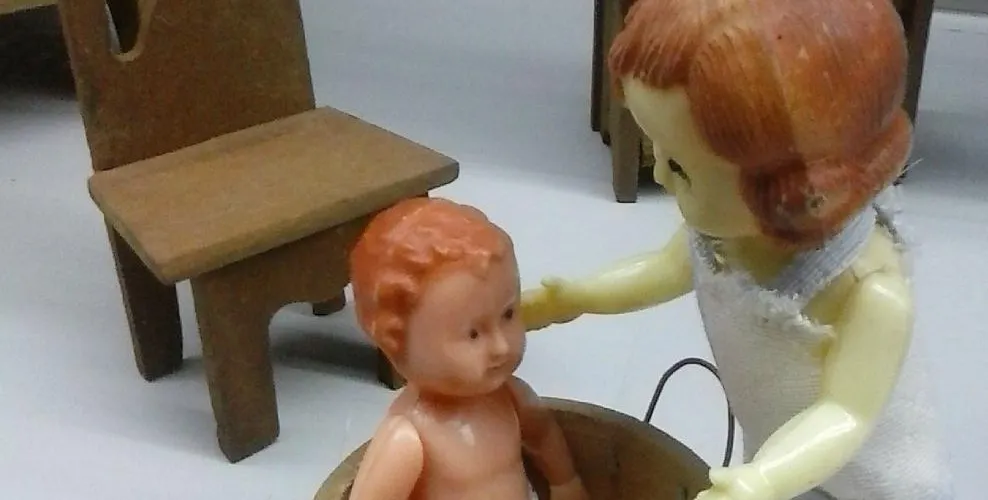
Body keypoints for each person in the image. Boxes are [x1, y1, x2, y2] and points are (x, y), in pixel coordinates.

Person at [522, 1, 953, 499]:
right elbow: (666, 268)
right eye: (656, 149)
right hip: (779, 449)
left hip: (863, 478)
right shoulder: (728, 234)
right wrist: (575, 297)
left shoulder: (869, 294)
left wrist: (764, 478)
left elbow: (846, 412)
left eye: (679, 167)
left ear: (794, 190)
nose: (658, 174)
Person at [347, 197, 589, 500]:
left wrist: (565, 483)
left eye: (508, 314)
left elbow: (542, 436)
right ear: (395, 342)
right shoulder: (410, 439)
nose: (501, 346)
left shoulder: (512, 398)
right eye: (473, 334)